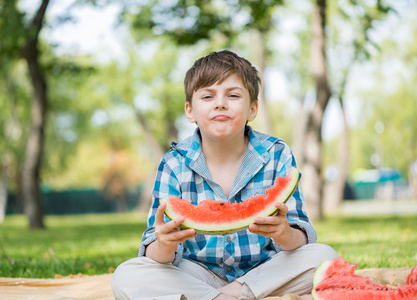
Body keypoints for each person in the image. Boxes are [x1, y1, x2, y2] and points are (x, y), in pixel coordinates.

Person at [111, 50, 338, 300]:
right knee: (127, 275)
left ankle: (222, 296)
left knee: (324, 256)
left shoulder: (277, 154)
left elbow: (300, 237)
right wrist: (164, 244)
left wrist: (285, 233)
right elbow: (155, 251)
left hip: (264, 269)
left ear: (252, 109)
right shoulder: (174, 163)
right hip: (197, 272)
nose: (220, 103)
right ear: (190, 111)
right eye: (208, 96)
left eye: (233, 95)